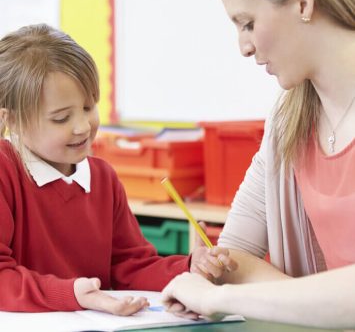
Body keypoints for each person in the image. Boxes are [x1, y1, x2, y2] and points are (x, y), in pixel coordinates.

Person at [0, 24, 236, 315]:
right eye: (61, 118)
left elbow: (130, 266)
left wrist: (190, 266)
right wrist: (73, 294)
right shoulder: (5, 170)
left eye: (89, 107)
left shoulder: (102, 177)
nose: (83, 127)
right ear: (12, 121)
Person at [162, 0, 355, 328]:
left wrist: (219, 298)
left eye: (248, 24)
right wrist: (316, 303)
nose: (244, 48)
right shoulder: (288, 121)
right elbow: (233, 258)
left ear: (301, 1)